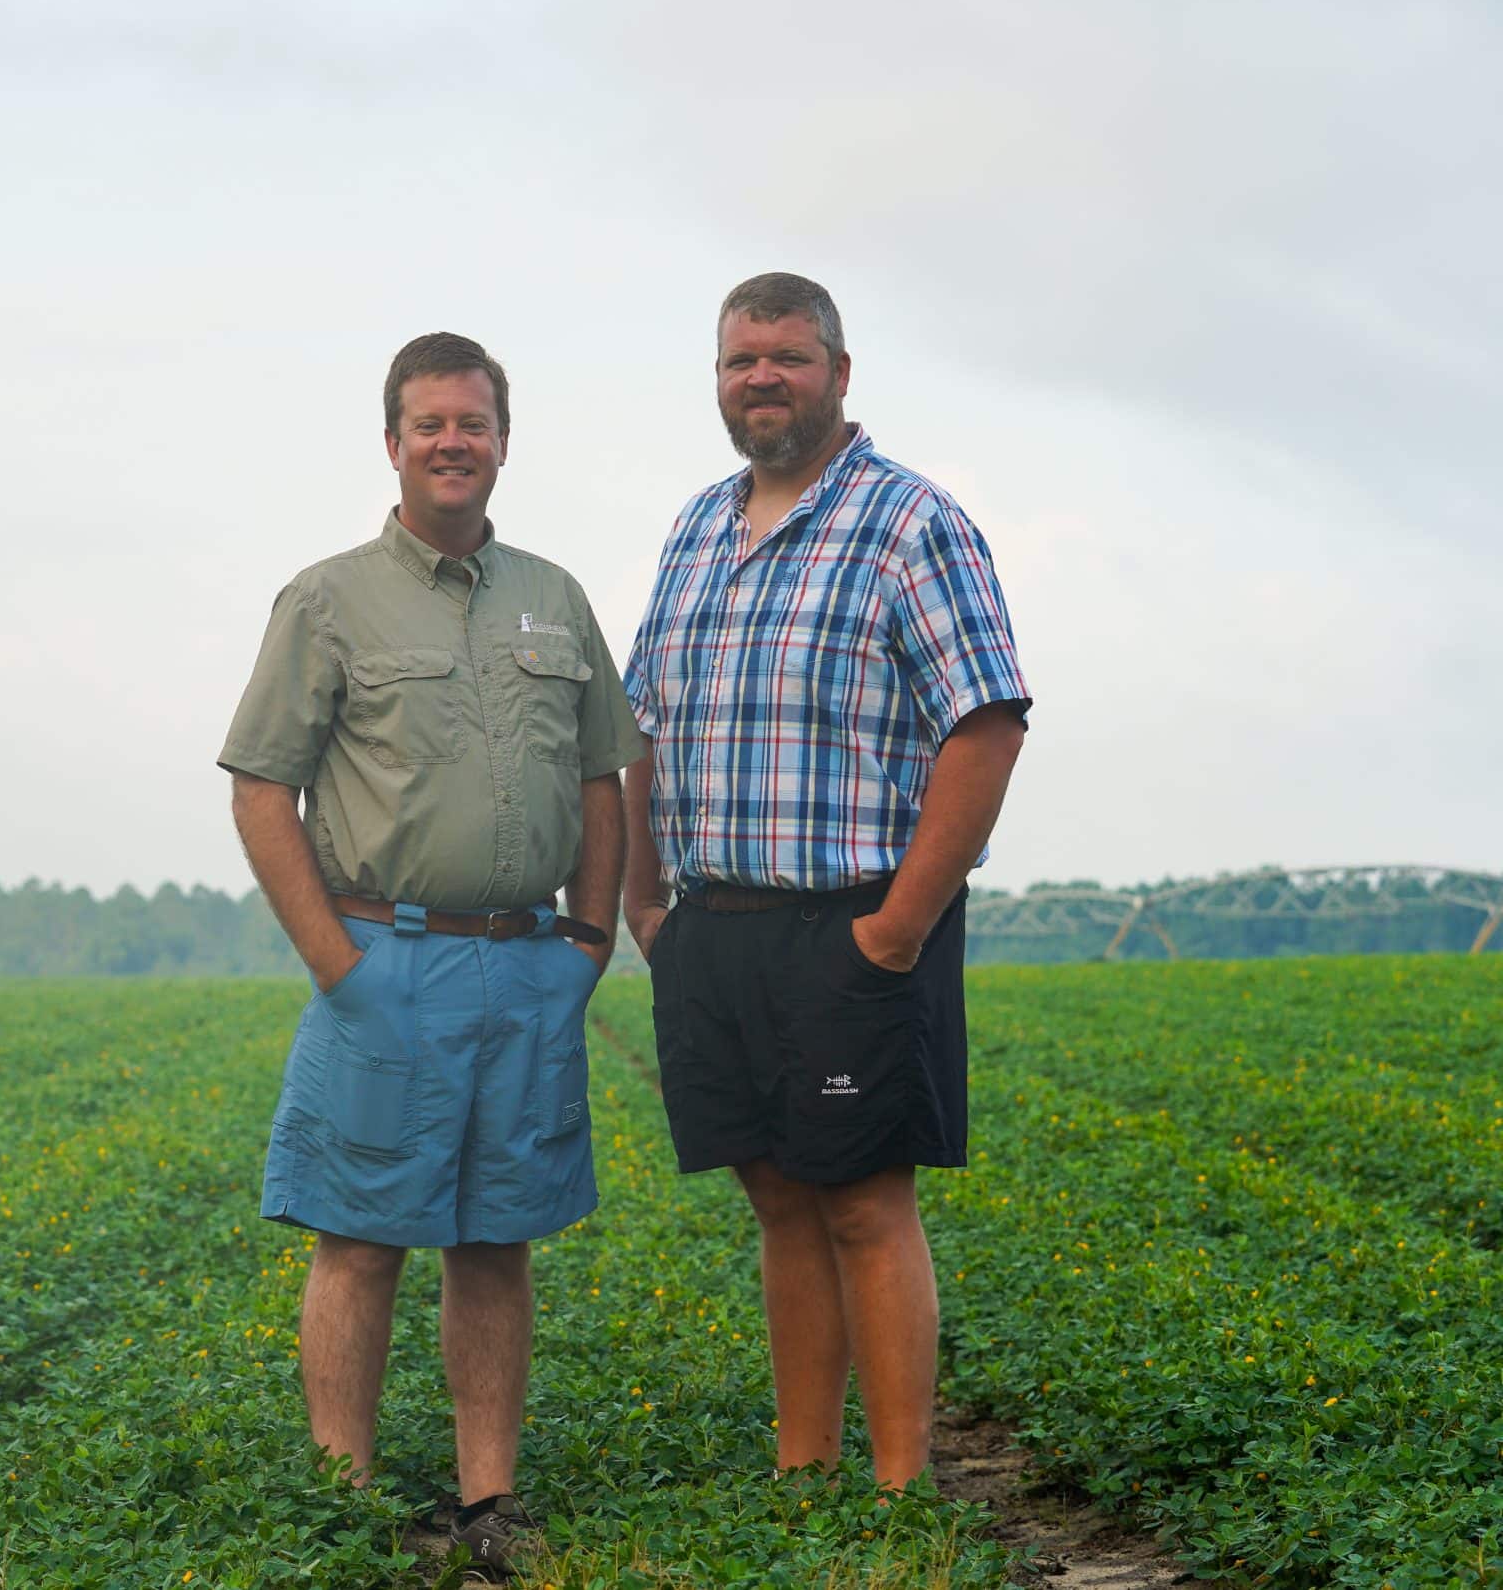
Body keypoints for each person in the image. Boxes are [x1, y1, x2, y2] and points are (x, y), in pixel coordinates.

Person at [219, 331, 643, 1576]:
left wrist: (587, 936)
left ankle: (486, 1503)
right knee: (357, 1237)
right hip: (383, 957)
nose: (451, 444)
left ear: (502, 440)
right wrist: (335, 967)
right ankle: (340, 1499)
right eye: (428, 425)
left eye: (473, 424)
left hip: (529, 964)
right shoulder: (327, 599)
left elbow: (605, 774)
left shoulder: (553, 598)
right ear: (392, 442)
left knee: (494, 1237)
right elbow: (261, 791)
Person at [619, 274, 1030, 1489]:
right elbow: (644, 728)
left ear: (839, 373)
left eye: (788, 357)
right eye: (741, 359)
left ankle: (900, 1488)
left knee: (860, 1203)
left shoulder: (913, 524)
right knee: (779, 1205)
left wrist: (898, 929)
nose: (763, 379)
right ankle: (805, 1476)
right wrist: (648, 905)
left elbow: (985, 724)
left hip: (852, 924)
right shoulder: (696, 526)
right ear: (717, 377)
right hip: (717, 926)